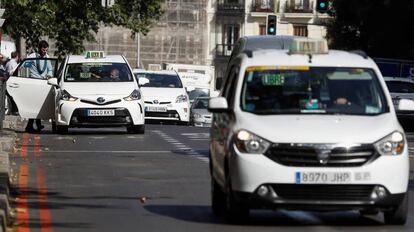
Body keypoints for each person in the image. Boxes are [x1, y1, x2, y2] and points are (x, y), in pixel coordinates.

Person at [25, 40, 52, 132]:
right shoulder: (32, 57)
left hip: (43, 83)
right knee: (35, 104)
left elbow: (50, 69)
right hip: (33, 82)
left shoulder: (47, 57)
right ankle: (36, 125)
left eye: (46, 50)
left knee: (38, 105)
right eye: (43, 50)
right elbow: (24, 67)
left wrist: (49, 75)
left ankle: (31, 126)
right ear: (39, 49)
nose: (45, 52)